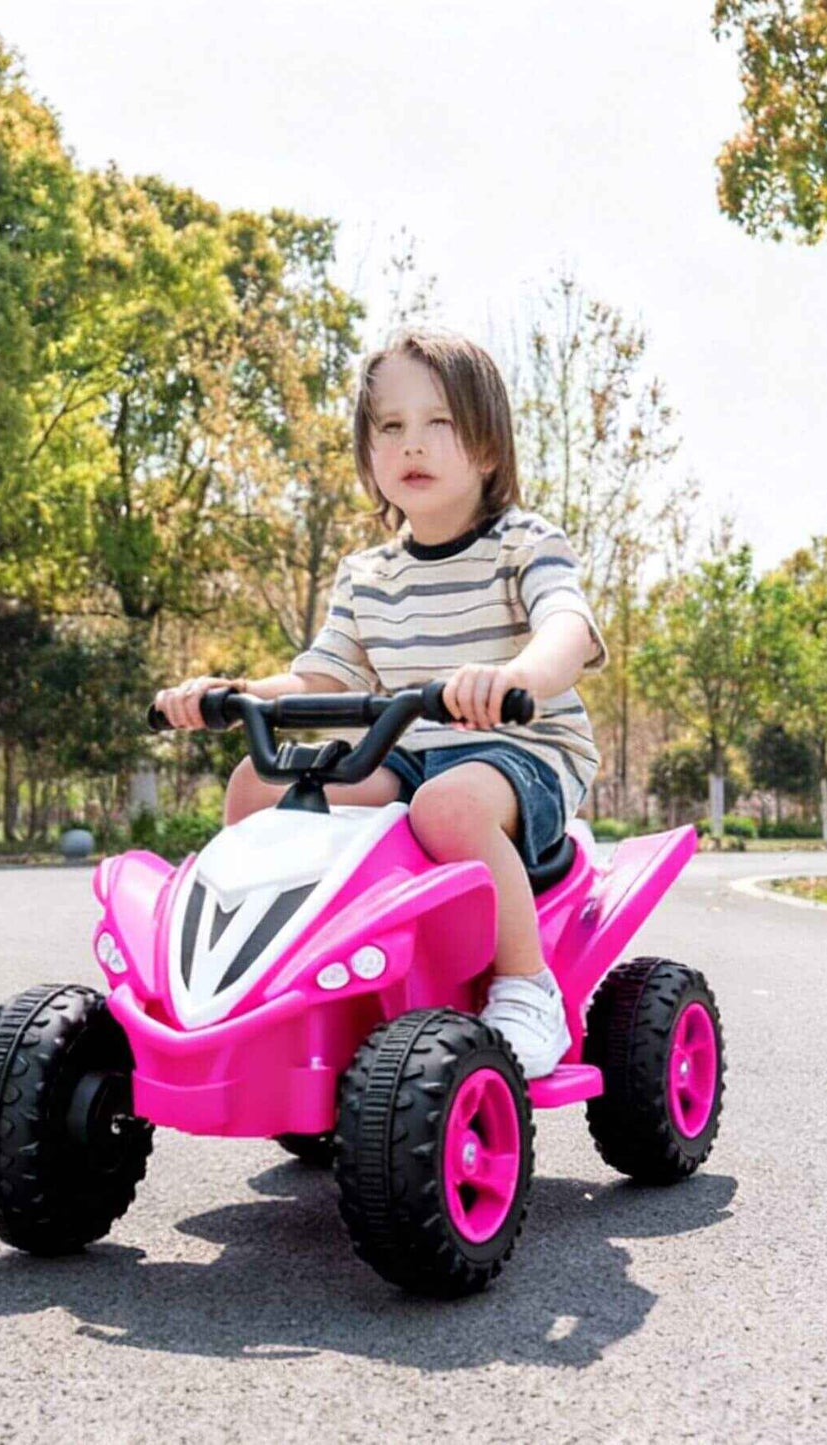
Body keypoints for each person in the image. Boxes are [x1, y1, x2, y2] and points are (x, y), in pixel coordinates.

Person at [153, 328, 608, 1078]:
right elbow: (321, 681)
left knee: (448, 809)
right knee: (257, 784)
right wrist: (229, 694)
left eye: (440, 424)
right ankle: (275, 967)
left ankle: (525, 987)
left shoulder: (523, 542)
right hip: (404, 747)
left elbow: (568, 626)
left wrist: (514, 674)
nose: (412, 445)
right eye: (390, 427)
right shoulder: (367, 574)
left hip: (522, 750)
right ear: (368, 453)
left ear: (488, 448)